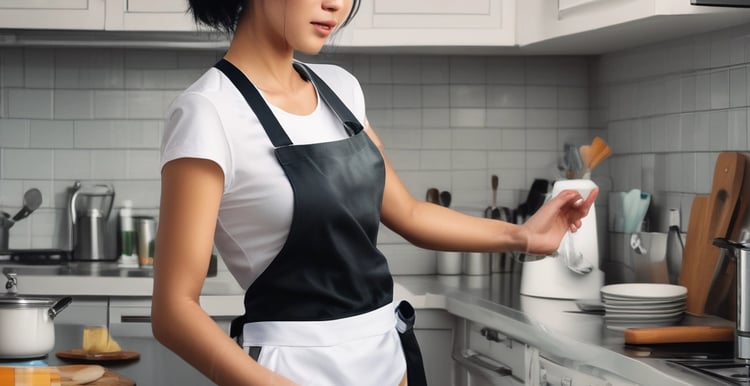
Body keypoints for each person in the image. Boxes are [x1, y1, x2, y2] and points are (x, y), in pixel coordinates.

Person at [150, 0, 600, 385]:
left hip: (389, 358)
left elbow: (407, 212)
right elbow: (173, 311)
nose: (337, 4)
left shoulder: (340, 90)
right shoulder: (208, 111)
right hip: (291, 367)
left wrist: (524, 235)